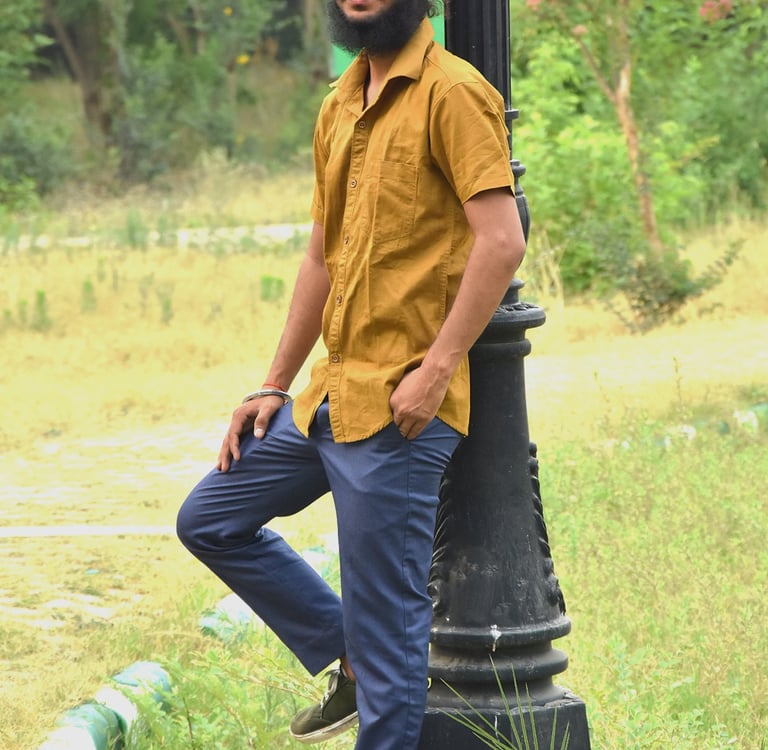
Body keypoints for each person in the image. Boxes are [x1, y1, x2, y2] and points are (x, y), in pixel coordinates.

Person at [176, 1, 526, 748]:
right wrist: (272, 384)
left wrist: (437, 370)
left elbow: (501, 242)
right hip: (327, 396)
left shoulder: (453, 92)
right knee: (209, 519)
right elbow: (321, 258)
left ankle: (374, 665)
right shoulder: (340, 102)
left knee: (391, 628)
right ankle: (357, 661)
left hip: (400, 408)